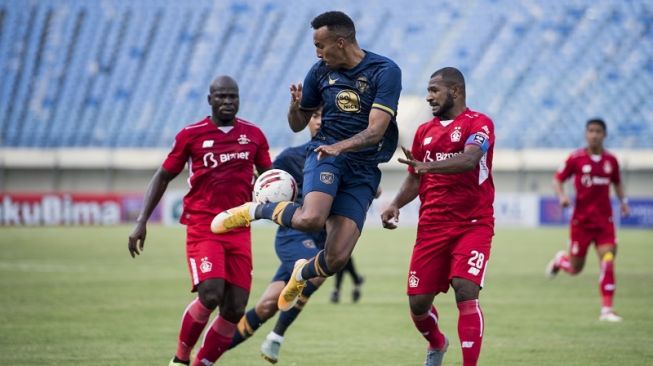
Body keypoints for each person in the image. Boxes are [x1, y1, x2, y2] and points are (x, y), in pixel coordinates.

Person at [211, 11, 401, 313]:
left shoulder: (384, 71)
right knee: (311, 218)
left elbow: (376, 130)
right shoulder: (319, 72)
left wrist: (342, 147)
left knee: (336, 258)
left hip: (363, 167)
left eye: (320, 45)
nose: (317, 53)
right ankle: (254, 210)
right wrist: (295, 106)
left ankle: (301, 273)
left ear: (340, 42)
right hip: (325, 155)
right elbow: (297, 124)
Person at [127, 76, 272, 366]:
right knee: (211, 293)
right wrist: (142, 220)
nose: (228, 101)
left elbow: (269, 177)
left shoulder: (254, 135)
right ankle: (180, 359)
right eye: (222, 96)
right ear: (210, 100)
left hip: (239, 227)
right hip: (204, 226)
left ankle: (200, 364)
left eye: (233, 96)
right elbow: (163, 175)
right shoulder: (191, 135)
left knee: (235, 308)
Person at [381, 67, 495, 366]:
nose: (429, 97)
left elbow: (470, 159)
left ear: (455, 91)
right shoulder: (424, 132)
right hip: (431, 227)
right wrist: (395, 204)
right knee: (418, 305)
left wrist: (427, 167)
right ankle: (437, 342)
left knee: (465, 289)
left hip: (472, 223)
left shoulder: (479, 124)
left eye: (434, 90)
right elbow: (415, 177)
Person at [228, 109, 327, 364]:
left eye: (326, 116)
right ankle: (277, 336)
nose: (321, 121)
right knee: (314, 270)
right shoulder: (291, 158)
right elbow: (266, 185)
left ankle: (209, 353)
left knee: (266, 306)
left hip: (324, 238)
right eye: (316, 116)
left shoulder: (344, 158)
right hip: (293, 235)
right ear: (308, 121)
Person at [545, 118, 630, 322]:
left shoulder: (611, 161)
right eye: (591, 131)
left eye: (598, 131)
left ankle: (607, 310)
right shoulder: (576, 158)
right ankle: (561, 261)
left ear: (604, 135)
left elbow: (617, 182)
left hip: (604, 223)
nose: (594, 134)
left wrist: (623, 201)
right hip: (581, 223)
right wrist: (562, 196)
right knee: (575, 269)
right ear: (586, 134)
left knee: (608, 260)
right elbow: (557, 179)